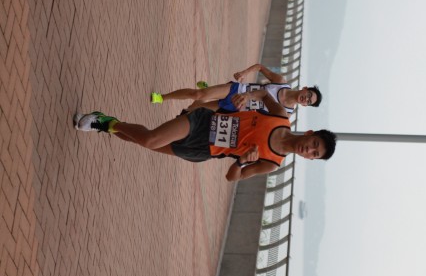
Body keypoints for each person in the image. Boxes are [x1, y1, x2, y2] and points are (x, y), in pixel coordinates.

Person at [73, 91, 336, 181]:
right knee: (151, 139)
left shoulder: (272, 163)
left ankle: (107, 125)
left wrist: (241, 161)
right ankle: (107, 121)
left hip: (203, 149)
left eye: (314, 154)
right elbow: (265, 95)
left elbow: (233, 177)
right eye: (314, 144)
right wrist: (247, 96)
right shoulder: (280, 117)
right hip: (204, 123)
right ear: (310, 133)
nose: (309, 150)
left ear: (310, 159)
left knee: (144, 143)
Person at [150, 63, 322, 116]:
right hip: (238, 90)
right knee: (198, 94)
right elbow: (260, 67)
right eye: (308, 95)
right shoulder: (281, 82)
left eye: (308, 101)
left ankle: (209, 90)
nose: (305, 99)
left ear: (305, 105)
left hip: (236, 108)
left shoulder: (286, 113)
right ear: (304, 88)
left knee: (195, 109)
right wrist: (243, 73)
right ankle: (162, 97)